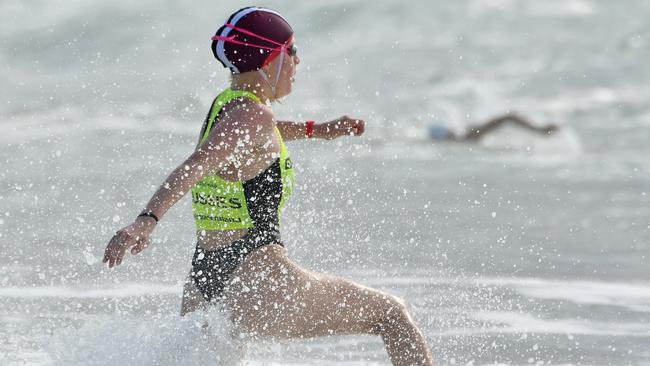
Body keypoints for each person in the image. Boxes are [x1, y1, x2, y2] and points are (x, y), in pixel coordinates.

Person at [103, 6, 435, 366]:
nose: (297, 61)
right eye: (291, 51)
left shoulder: (229, 107)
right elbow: (196, 165)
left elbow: (258, 135)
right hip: (257, 280)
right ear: (271, 59)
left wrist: (317, 130)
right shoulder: (253, 115)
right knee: (392, 315)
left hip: (205, 281)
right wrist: (147, 219)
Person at [428, 113, 558, 142]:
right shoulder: (466, 137)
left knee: (509, 117)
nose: (451, 132)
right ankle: (540, 130)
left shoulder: (468, 136)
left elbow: (509, 117)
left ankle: (540, 130)